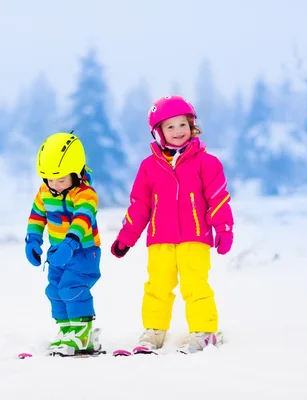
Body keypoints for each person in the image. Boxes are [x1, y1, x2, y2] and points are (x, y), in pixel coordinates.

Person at [110, 95, 234, 354]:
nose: (178, 131)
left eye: (183, 124)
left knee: (195, 286)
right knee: (157, 287)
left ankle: (204, 331)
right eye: (170, 126)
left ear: (192, 126)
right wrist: (126, 237)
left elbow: (218, 198)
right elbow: (139, 205)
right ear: (158, 132)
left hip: (195, 237)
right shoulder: (148, 167)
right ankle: (154, 330)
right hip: (160, 240)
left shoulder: (207, 163)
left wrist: (223, 228)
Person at [24, 132, 103, 356]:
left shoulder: (85, 194)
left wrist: (71, 242)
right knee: (55, 290)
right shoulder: (44, 192)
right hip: (57, 252)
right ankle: (67, 330)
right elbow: (37, 215)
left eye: (61, 179)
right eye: (49, 179)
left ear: (76, 173)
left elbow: (83, 218)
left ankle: (83, 333)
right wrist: (33, 239)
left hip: (84, 252)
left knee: (72, 288)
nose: (55, 185)